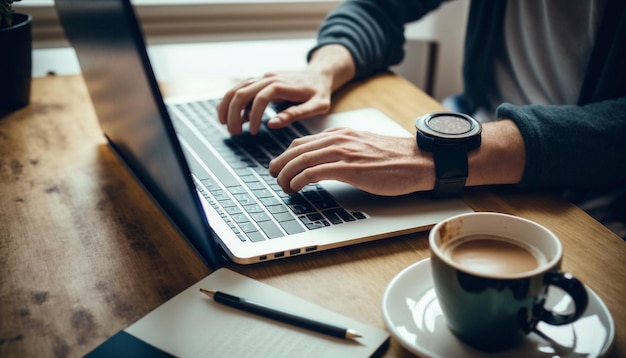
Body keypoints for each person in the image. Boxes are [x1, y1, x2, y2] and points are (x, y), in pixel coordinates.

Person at [217, 0, 626, 238]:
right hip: (466, 163)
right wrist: (323, 68)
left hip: (591, 208)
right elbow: (377, 7)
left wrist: (434, 158)